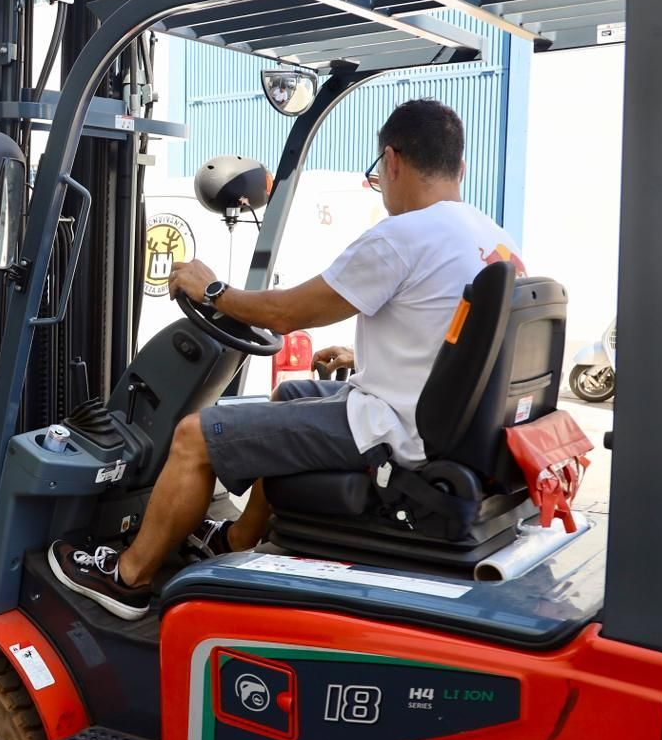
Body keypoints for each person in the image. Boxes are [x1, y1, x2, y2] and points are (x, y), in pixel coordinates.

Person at [47, 98, 525, 620]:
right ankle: (239, 538)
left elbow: (283, 313)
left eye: (378, 172)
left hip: (394, 431)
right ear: (459, 166)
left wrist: (212, 289)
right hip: (435, 421)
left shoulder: (402, 236)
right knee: (289, 394)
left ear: (391, 161)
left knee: (194, 435)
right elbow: (456, 338)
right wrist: (366, 353)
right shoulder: (493, 238)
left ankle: (129, 576)